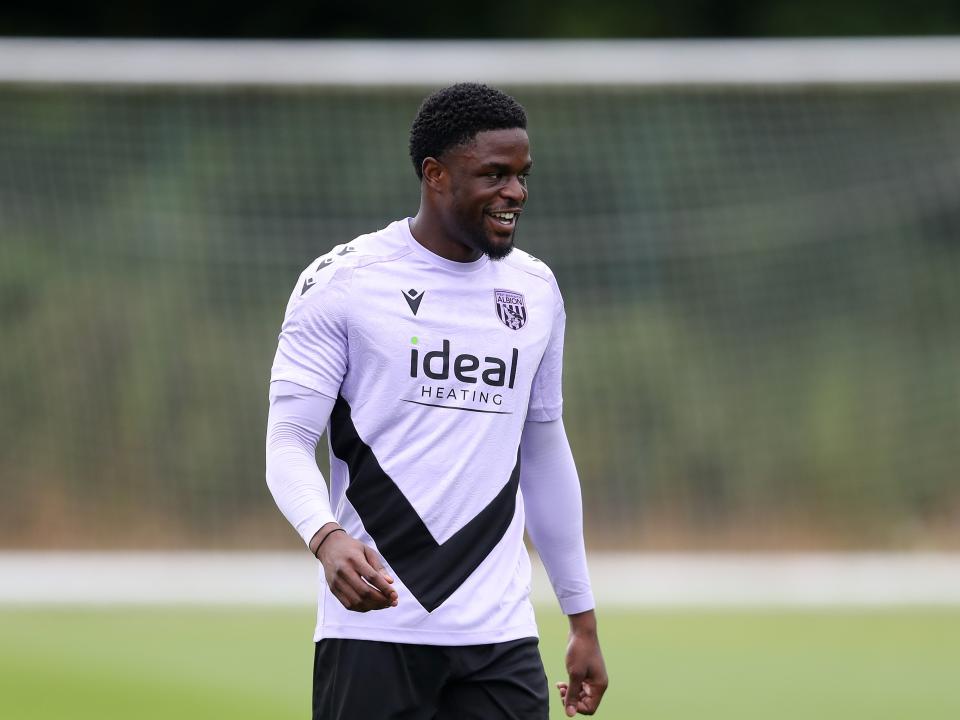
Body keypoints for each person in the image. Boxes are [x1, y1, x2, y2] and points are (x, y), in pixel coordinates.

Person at [265, 82, 607, 719]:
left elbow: (544, 448)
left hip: (500, 638)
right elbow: (286, 443)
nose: (516, 193)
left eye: (523, 176)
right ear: (436, 175)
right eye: (495, 175)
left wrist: (580, 618)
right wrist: (326, 536)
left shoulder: (535, 290)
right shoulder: (343, 283)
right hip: (375, 632)